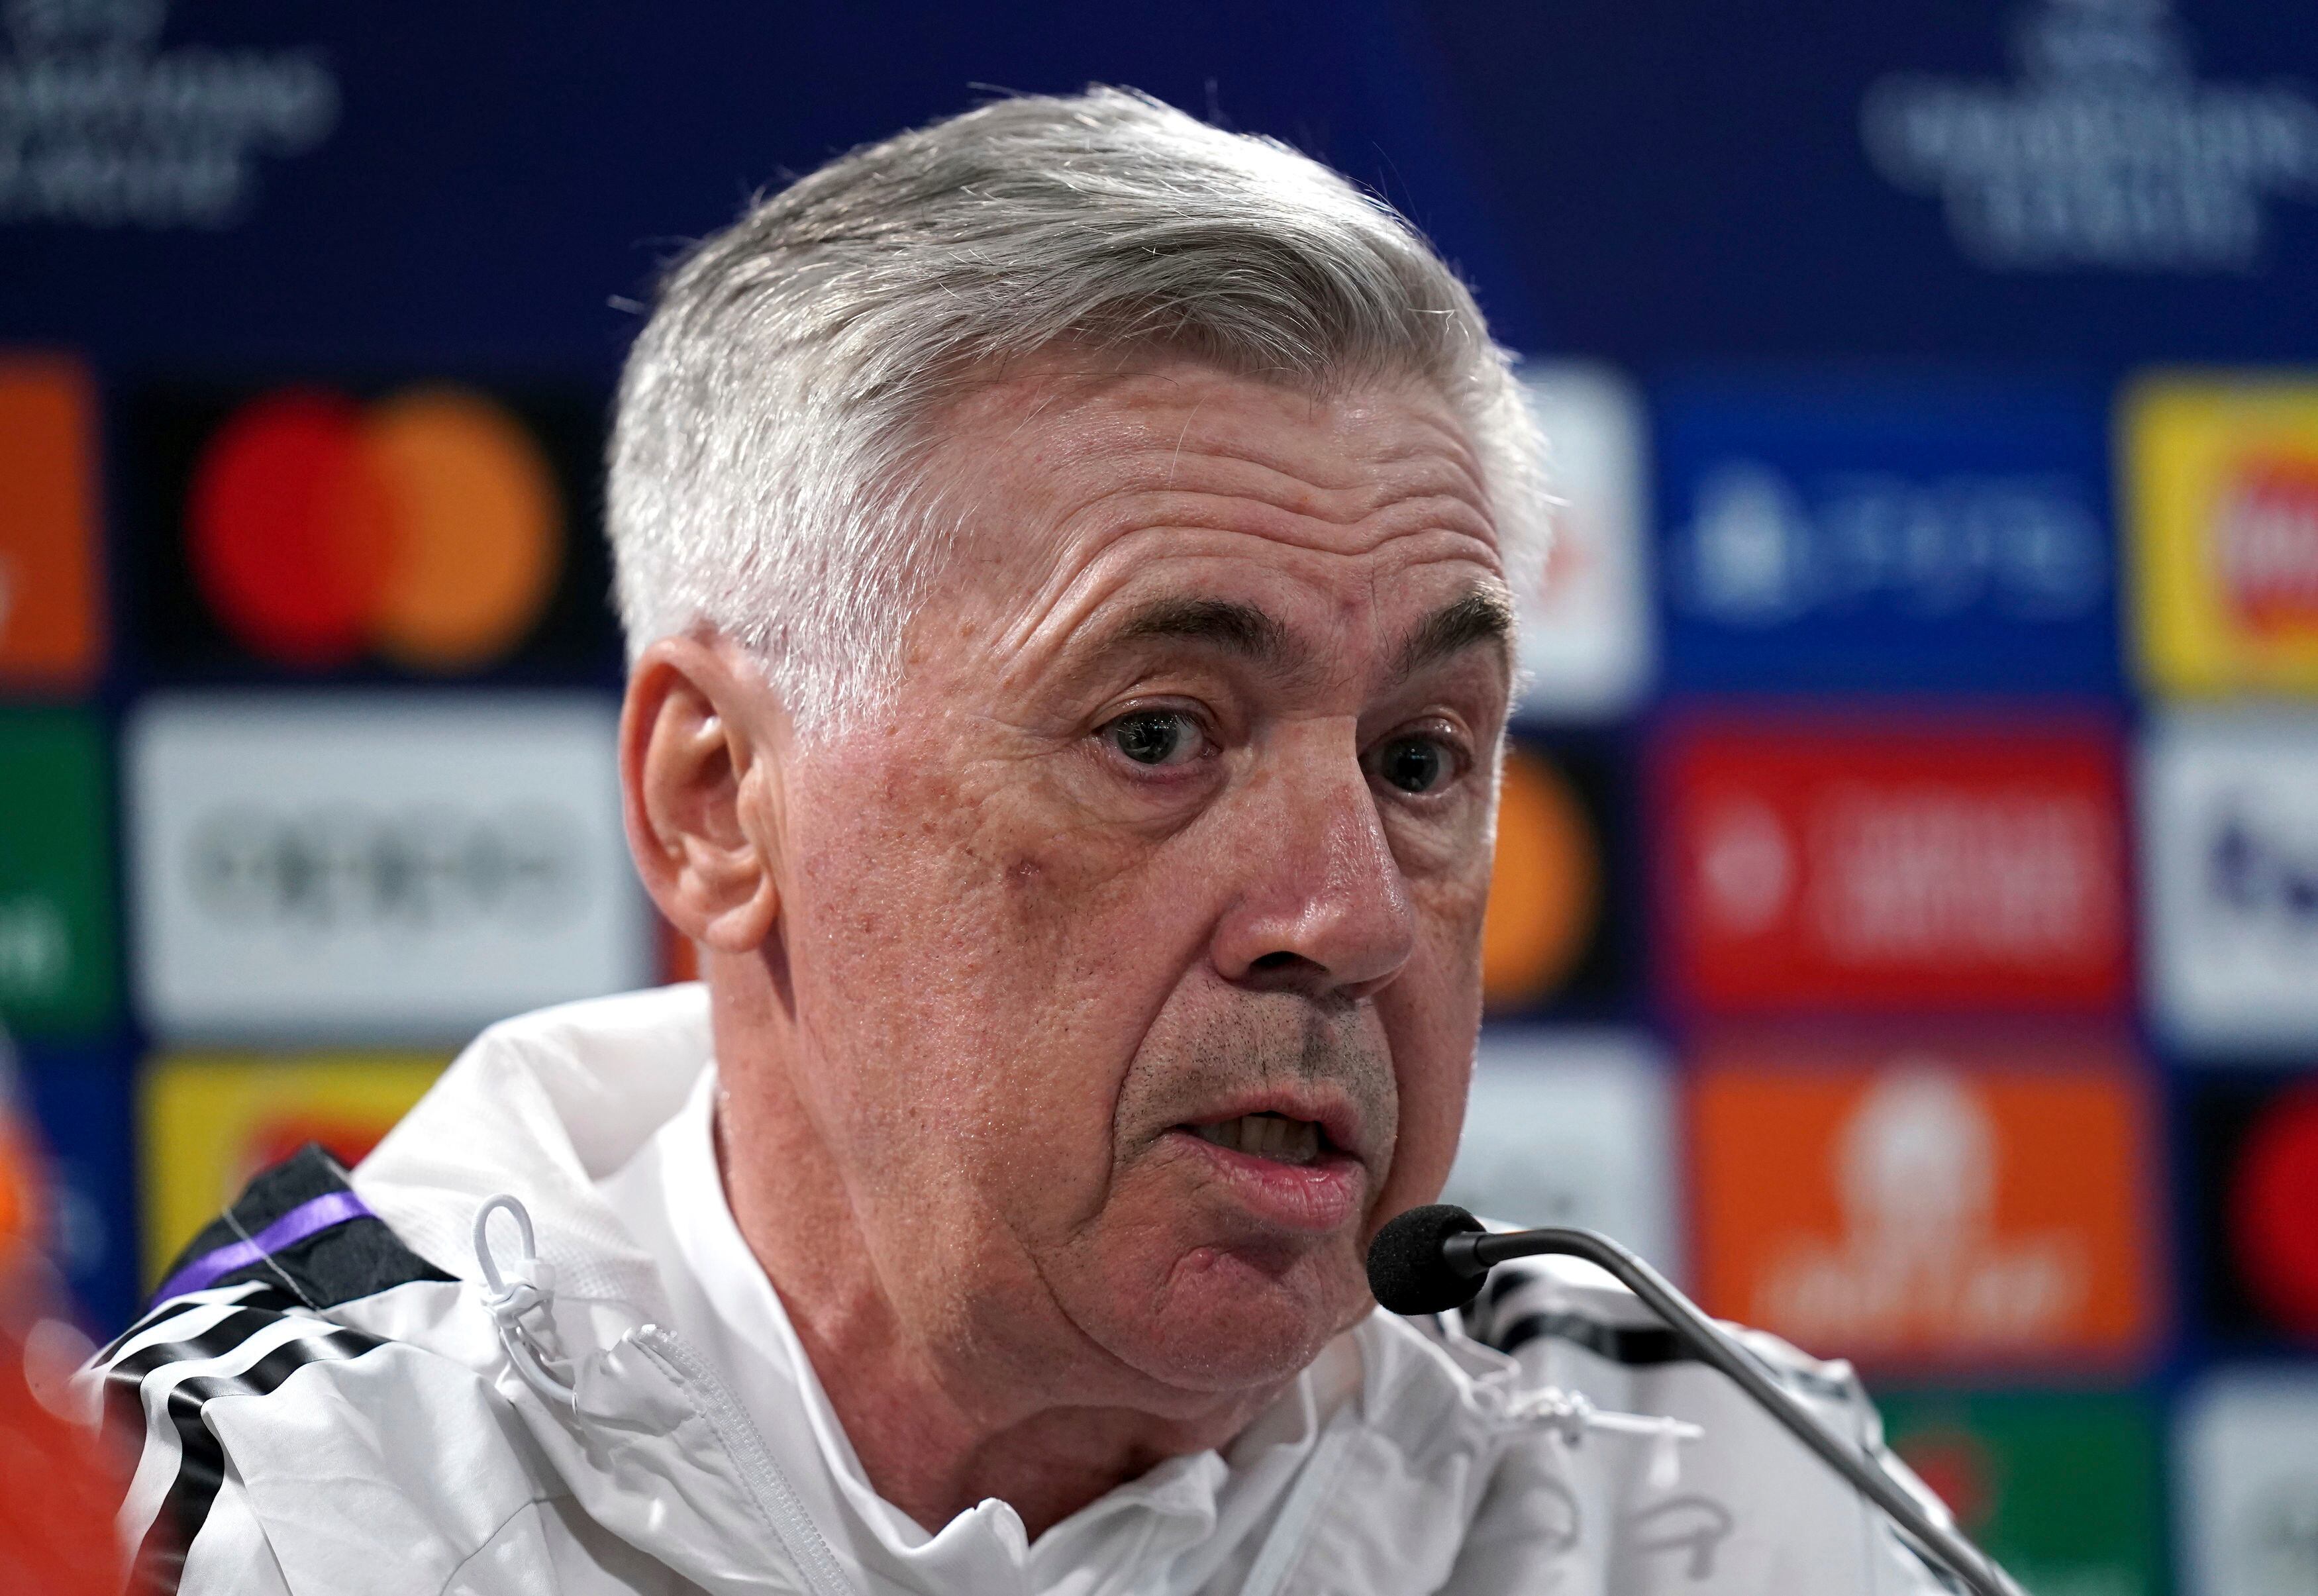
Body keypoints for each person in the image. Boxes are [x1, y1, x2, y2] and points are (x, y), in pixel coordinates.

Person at [82, 89, 1974, 1595]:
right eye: (1156, 732)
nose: (1349, 915)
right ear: (716, 800)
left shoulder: (1708, 1499)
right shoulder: (301, 1520)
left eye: (1418, 755)